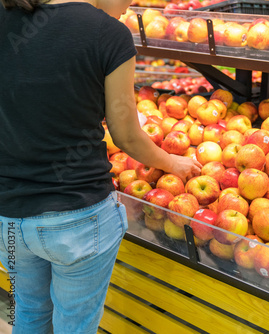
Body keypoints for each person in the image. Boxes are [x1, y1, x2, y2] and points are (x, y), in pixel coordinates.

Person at [0, 0, 202, 332]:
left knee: (30, 310)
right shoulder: (108, 34)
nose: (127, 6)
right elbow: (126, 136)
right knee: (74, 323)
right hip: (77, 218)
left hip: (9, 215)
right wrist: (172, 163)